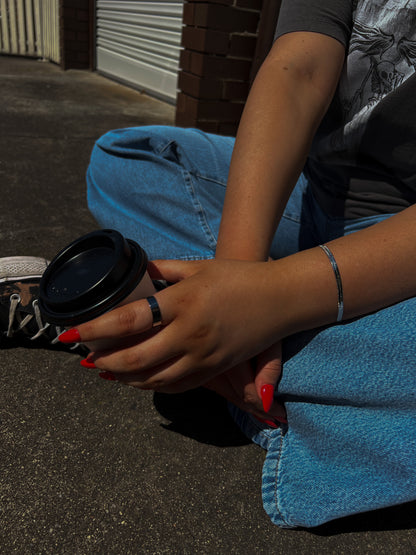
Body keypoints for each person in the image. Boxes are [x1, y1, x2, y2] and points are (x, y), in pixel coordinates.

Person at [2, 0, 416, 528]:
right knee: (127, 160)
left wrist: (282, 296)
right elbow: (299, 68)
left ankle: (125, 323)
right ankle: (233, 351)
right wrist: (237, 276)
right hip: (313, 191)